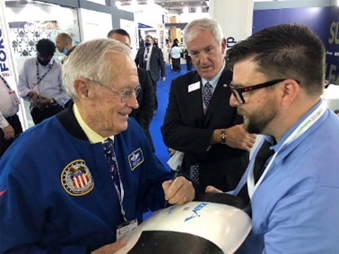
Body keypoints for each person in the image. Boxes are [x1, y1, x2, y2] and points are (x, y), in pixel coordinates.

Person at [0, 38, 196, 254]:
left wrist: (172, 189)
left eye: (135, 91)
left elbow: (152, 182)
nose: (134, 103)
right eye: (124, 92)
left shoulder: (129, 130)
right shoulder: (27, 159)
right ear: (83, 90)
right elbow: (9, 247)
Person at [207, 23, 339, 253]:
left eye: (242, 91)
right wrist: (231, 204)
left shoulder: (317, 191)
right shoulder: (278, 133)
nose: (232, 101)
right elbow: (265, 198)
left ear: (287, 91)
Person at [161, 18, 256, 195]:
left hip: (228, 185)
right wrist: (222, 136)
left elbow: (243, 138)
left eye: (209, 50)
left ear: (222, 45)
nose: (202, 60)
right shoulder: (180, 85)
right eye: (195, 53)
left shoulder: (242, 82)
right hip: (188, 182)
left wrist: (189, 138)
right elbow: (170, 134)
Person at [107, 28, 156, 152]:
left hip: (137, 134)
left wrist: (134, 129)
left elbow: (148, 107)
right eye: (116, 46)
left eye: (125, 47)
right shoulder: (97, 77)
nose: (121, 51)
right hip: (107, 137)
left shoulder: (142, 75)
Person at [17, 38, 70, 125]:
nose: (42, 59)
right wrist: (31, 94)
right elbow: (21, 85)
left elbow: (67, 92)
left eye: (46, 58)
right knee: (41, 135)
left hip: (55, 110)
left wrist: (51, 101)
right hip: (37, 110)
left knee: (56, 134)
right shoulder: (28, 63)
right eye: (40, 56)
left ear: (52, 55)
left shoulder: (59, 67)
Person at [135, 35, 166, 113]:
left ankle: (154, 107)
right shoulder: (141, 50)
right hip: (142, 74)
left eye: (148, 40)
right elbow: (136, 61)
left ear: (152, 41)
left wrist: (163, 75)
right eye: (145, 41)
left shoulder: (157, 51)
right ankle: (144, 106)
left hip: (152, 74)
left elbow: (162, 63)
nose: (146, 42)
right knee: (142, 91)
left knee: (152, 91)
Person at [0, 75, 23, 158]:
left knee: (19, 153)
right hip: (4, 126)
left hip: (13, 119)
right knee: (5, 157)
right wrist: (4, 124)